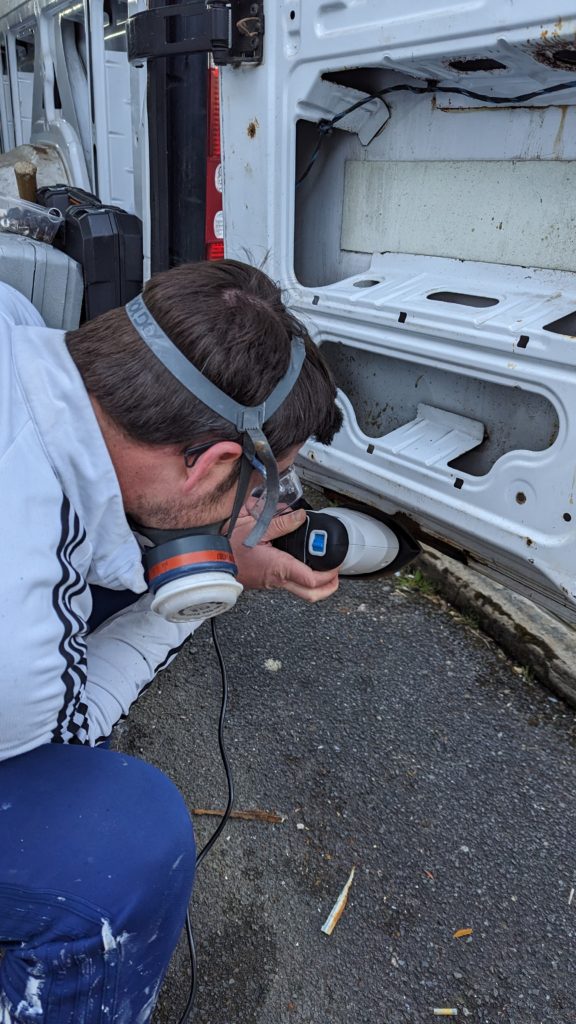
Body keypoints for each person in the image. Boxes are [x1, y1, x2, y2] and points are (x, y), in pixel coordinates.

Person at [0, 259, 343, 1023]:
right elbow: (64, 740)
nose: (258, 511)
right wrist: (195, 586)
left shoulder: (12, 314)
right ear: (215, 462)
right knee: (125, 843)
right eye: (260, 489)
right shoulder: (18, 644)